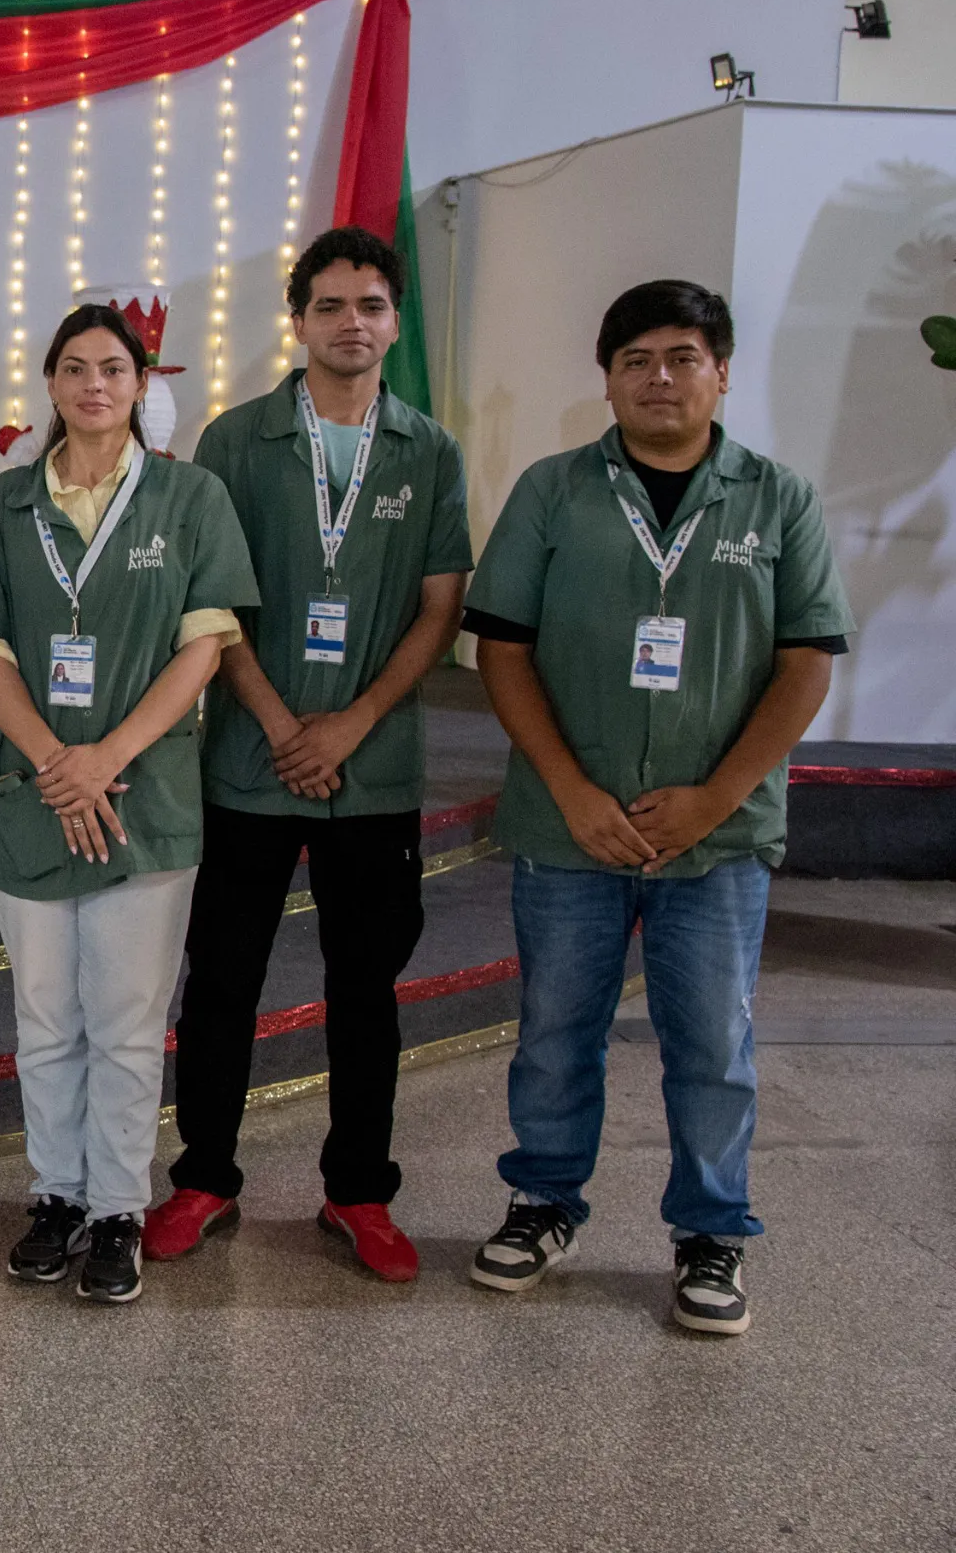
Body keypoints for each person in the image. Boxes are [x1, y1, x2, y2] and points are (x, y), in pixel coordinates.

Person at [462, 280, 851, 1335]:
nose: (658, 377)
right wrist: (571, 790)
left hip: (716, 838)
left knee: (712, 1042)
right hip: (569, 827)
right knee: (555, 1029)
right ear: (607, 380)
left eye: (681, 356)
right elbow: (503, 650)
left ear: (721, 372)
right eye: (634, 360)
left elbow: (806, 663)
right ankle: (544, 1201)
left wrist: (715, 799)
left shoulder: (777, 499)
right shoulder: (553, 492)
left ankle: (711, 1230)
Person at [150, 227, 471, 1283]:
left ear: (393, 322)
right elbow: (211, 600)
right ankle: (203, 1177)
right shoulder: (236, 441)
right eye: (329, 305)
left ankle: (358, 1191)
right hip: (251, 761)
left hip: (371, 770)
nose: (350, 323)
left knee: (366, 989)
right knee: (222, 980)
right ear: (298, 321)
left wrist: (350, 723)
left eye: (370, 305)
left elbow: (439, 607)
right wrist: (284, 725)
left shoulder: (429, 451)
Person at [0, 303, 257, 1304]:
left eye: (113, 368)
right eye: (74, 368)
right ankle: (56, 1197)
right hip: (33, 792)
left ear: (140, 383)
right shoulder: (4, 505)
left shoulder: (189, 497)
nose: (93, 385)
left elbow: (205, 645)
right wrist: (55, 763)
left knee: (125, 1020)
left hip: (143, 796)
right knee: (44, 1017)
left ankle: (118, 1207)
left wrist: (105, 758)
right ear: (50, 382)